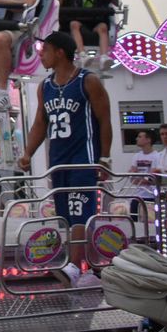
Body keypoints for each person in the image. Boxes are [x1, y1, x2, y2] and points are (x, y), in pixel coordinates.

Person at [22, 31, 112, 288]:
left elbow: (105, 120)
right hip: (58, 160)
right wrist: (28, 152)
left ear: (60, 52)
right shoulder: (45, 86)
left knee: (79, 213)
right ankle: (88, 268)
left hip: (83, 159)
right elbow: (40, 122)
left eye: (45, 50)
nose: (41, 55)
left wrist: (104, 158)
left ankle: (74, 266)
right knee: (66, 217)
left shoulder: (88, 80)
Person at [65, 0, 119, 69]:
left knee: (103, 27)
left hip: (96, 23)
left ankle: (104, 56)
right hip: (83, 24)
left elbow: (116, 2)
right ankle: (82, 55)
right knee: (73, 24)